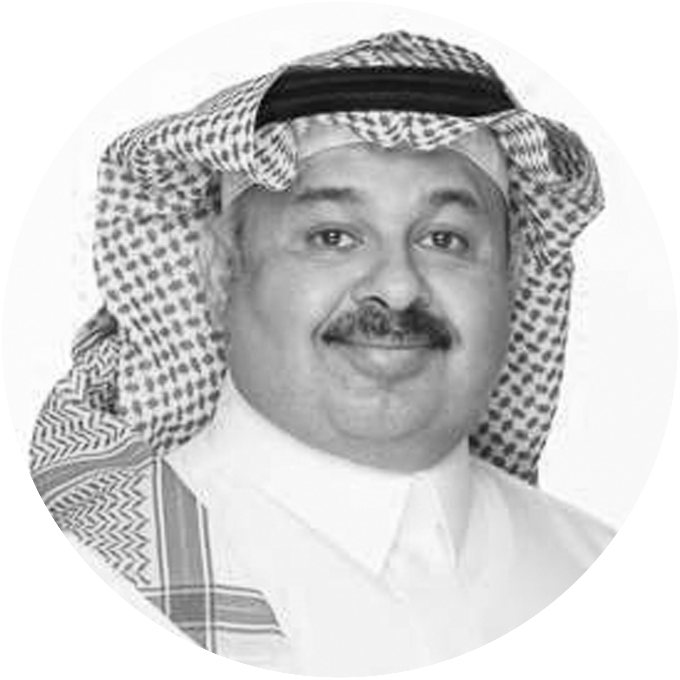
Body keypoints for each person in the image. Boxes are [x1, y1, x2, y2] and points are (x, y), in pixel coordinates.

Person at [2, 30, 676, 678]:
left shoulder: (622, 591)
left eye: (445, 239)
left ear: (512, 274)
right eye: (332, 237)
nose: (398, 286)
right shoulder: (82, 597)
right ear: (220, 268)